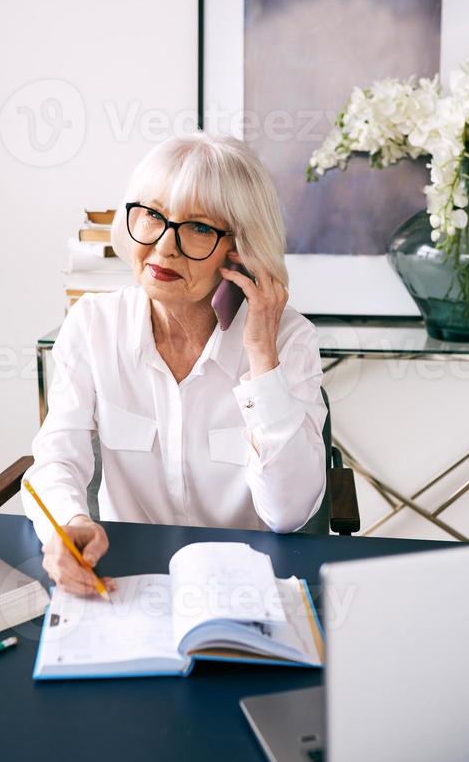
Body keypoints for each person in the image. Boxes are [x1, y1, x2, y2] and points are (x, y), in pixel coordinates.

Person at [21, 132, 327, 595]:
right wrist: (69, 523)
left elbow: (289, 513)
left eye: (199, 227)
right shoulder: (92, 325)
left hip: (249, 586)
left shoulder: (289, 339)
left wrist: (263, 356)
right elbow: (56, 457)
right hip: (126, 580)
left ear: (240, 250)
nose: (164, 247)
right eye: (152, 216)